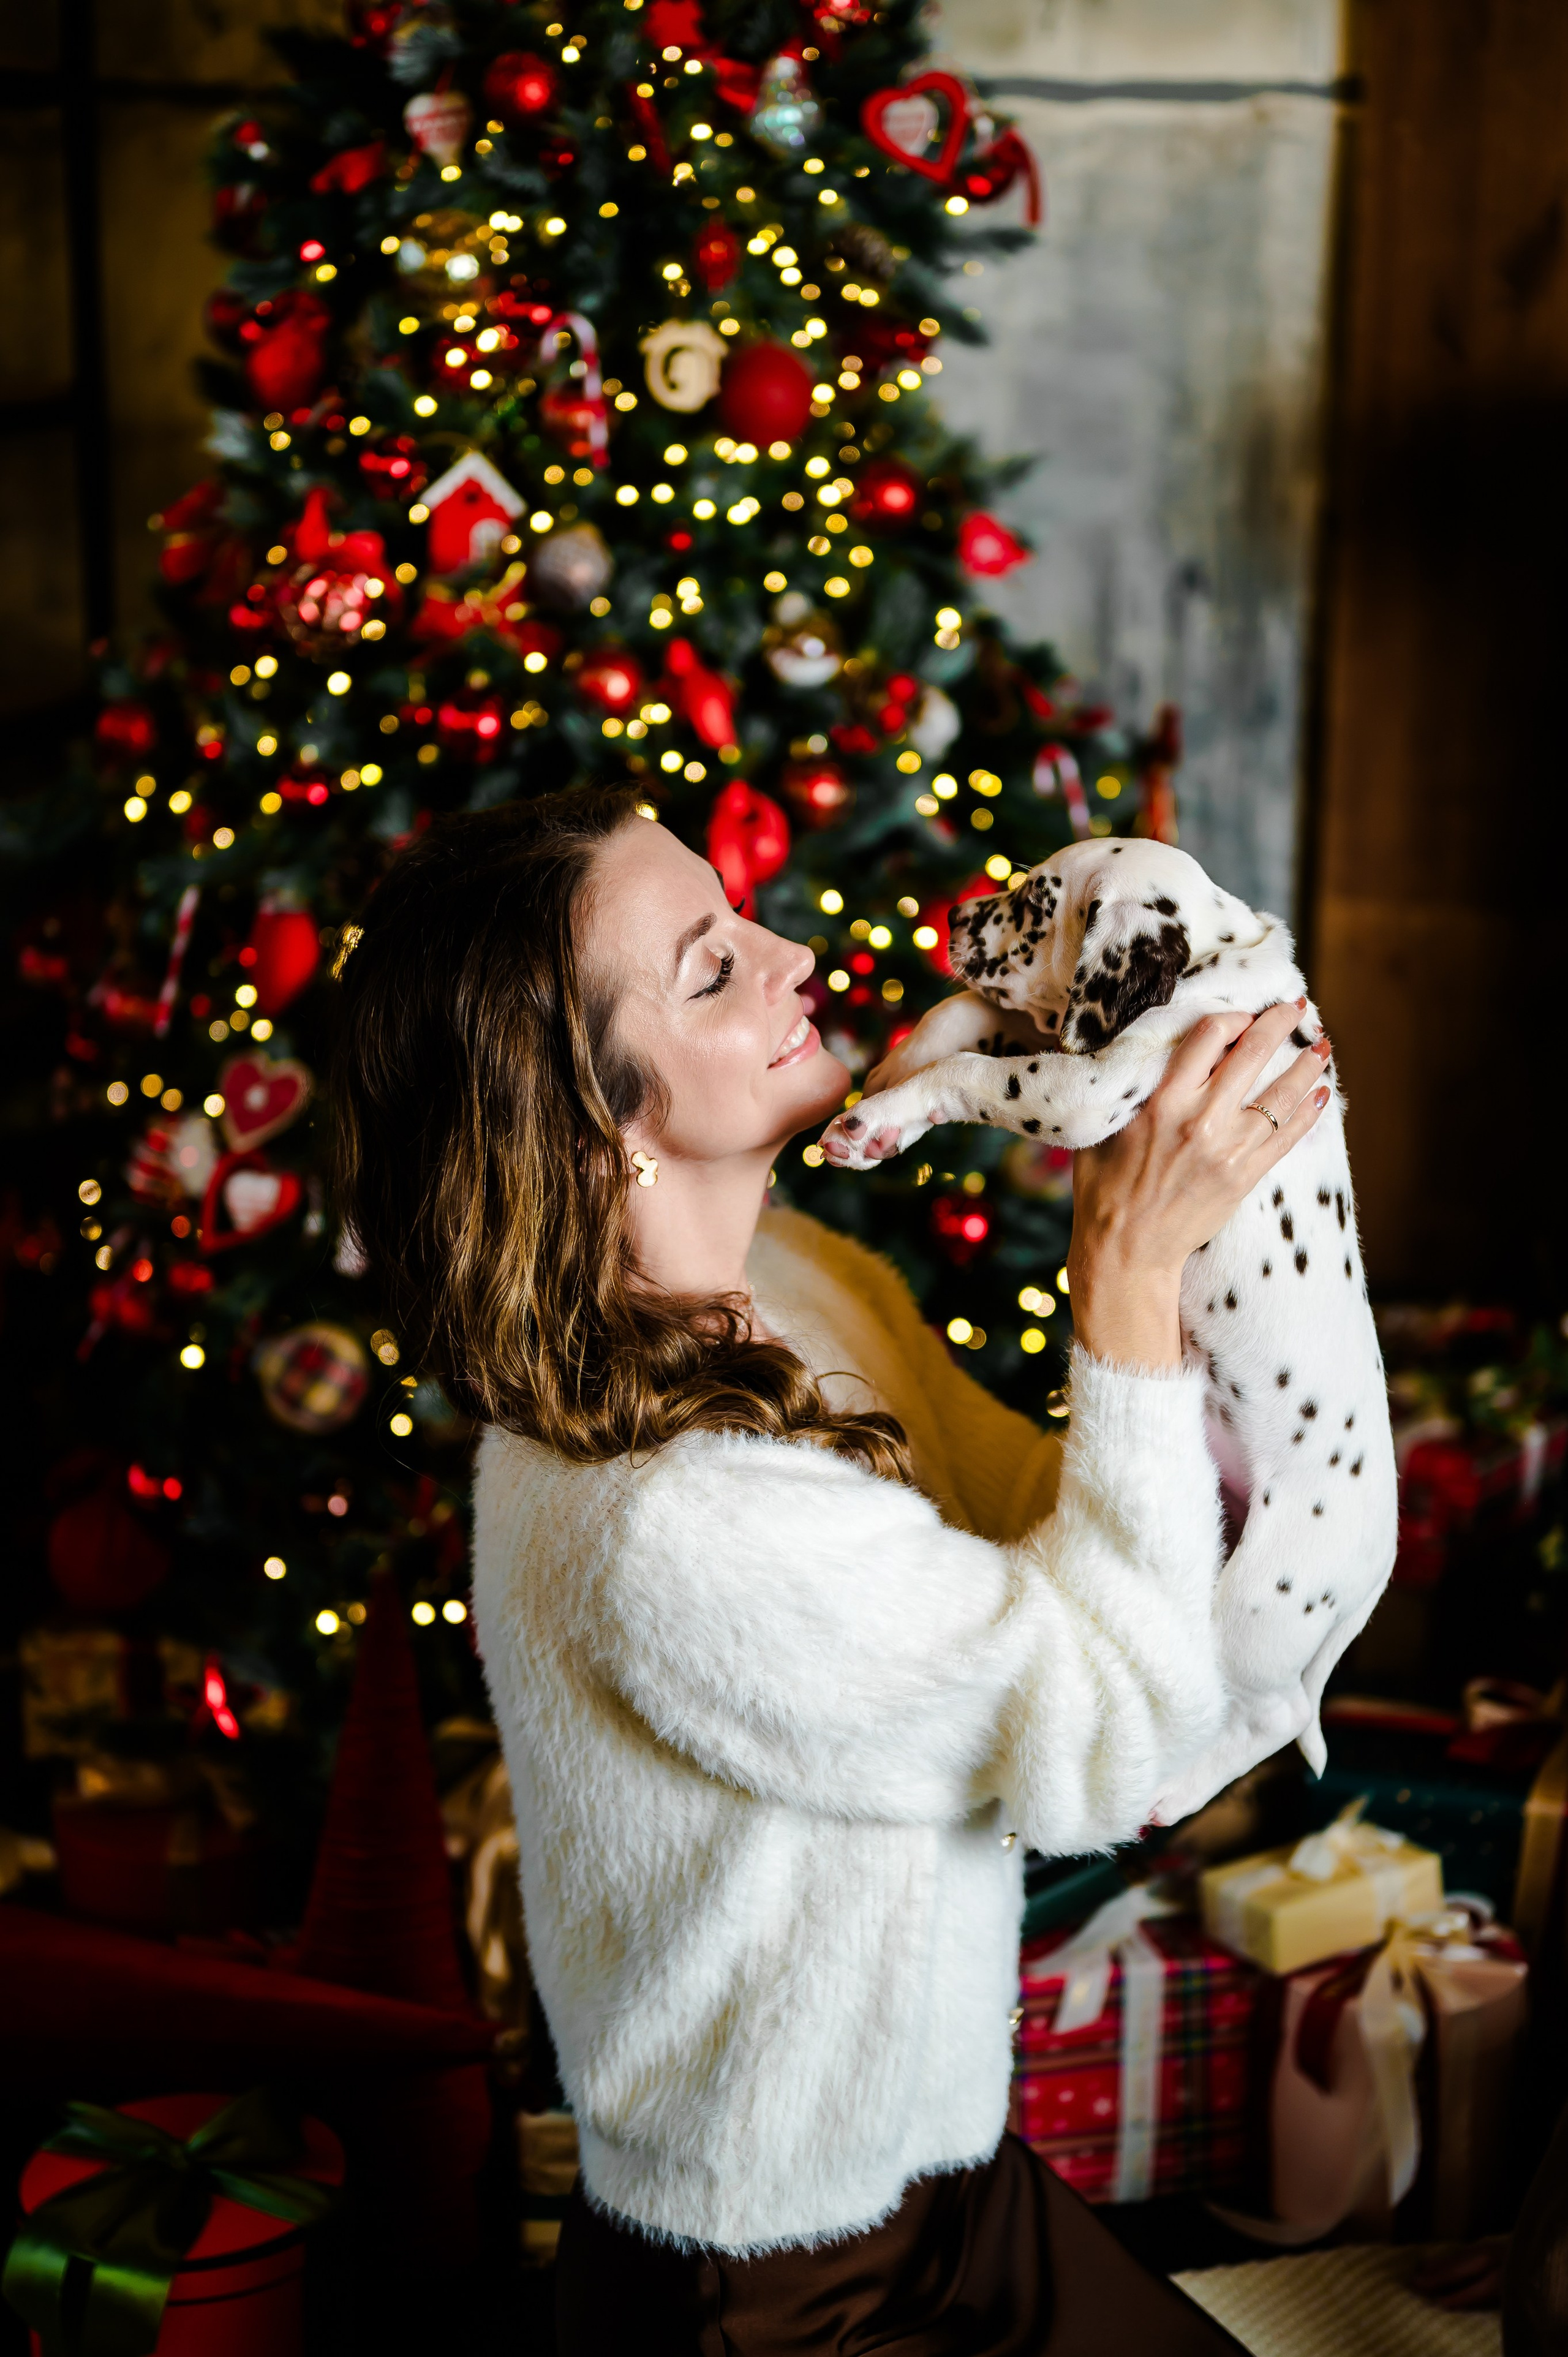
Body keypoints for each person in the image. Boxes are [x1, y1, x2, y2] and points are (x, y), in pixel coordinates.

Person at [334, 785, 1331, 2354]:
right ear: (594, 1111)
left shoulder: (798, 1284)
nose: (795, 952)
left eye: (739, 919)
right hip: (775, 2287)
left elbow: (1040, 1531)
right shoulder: (668, 1519)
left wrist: (1234, 1275)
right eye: (712, 968)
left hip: (945, 2177)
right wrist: (1123, 1276)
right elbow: (1106, 1740)